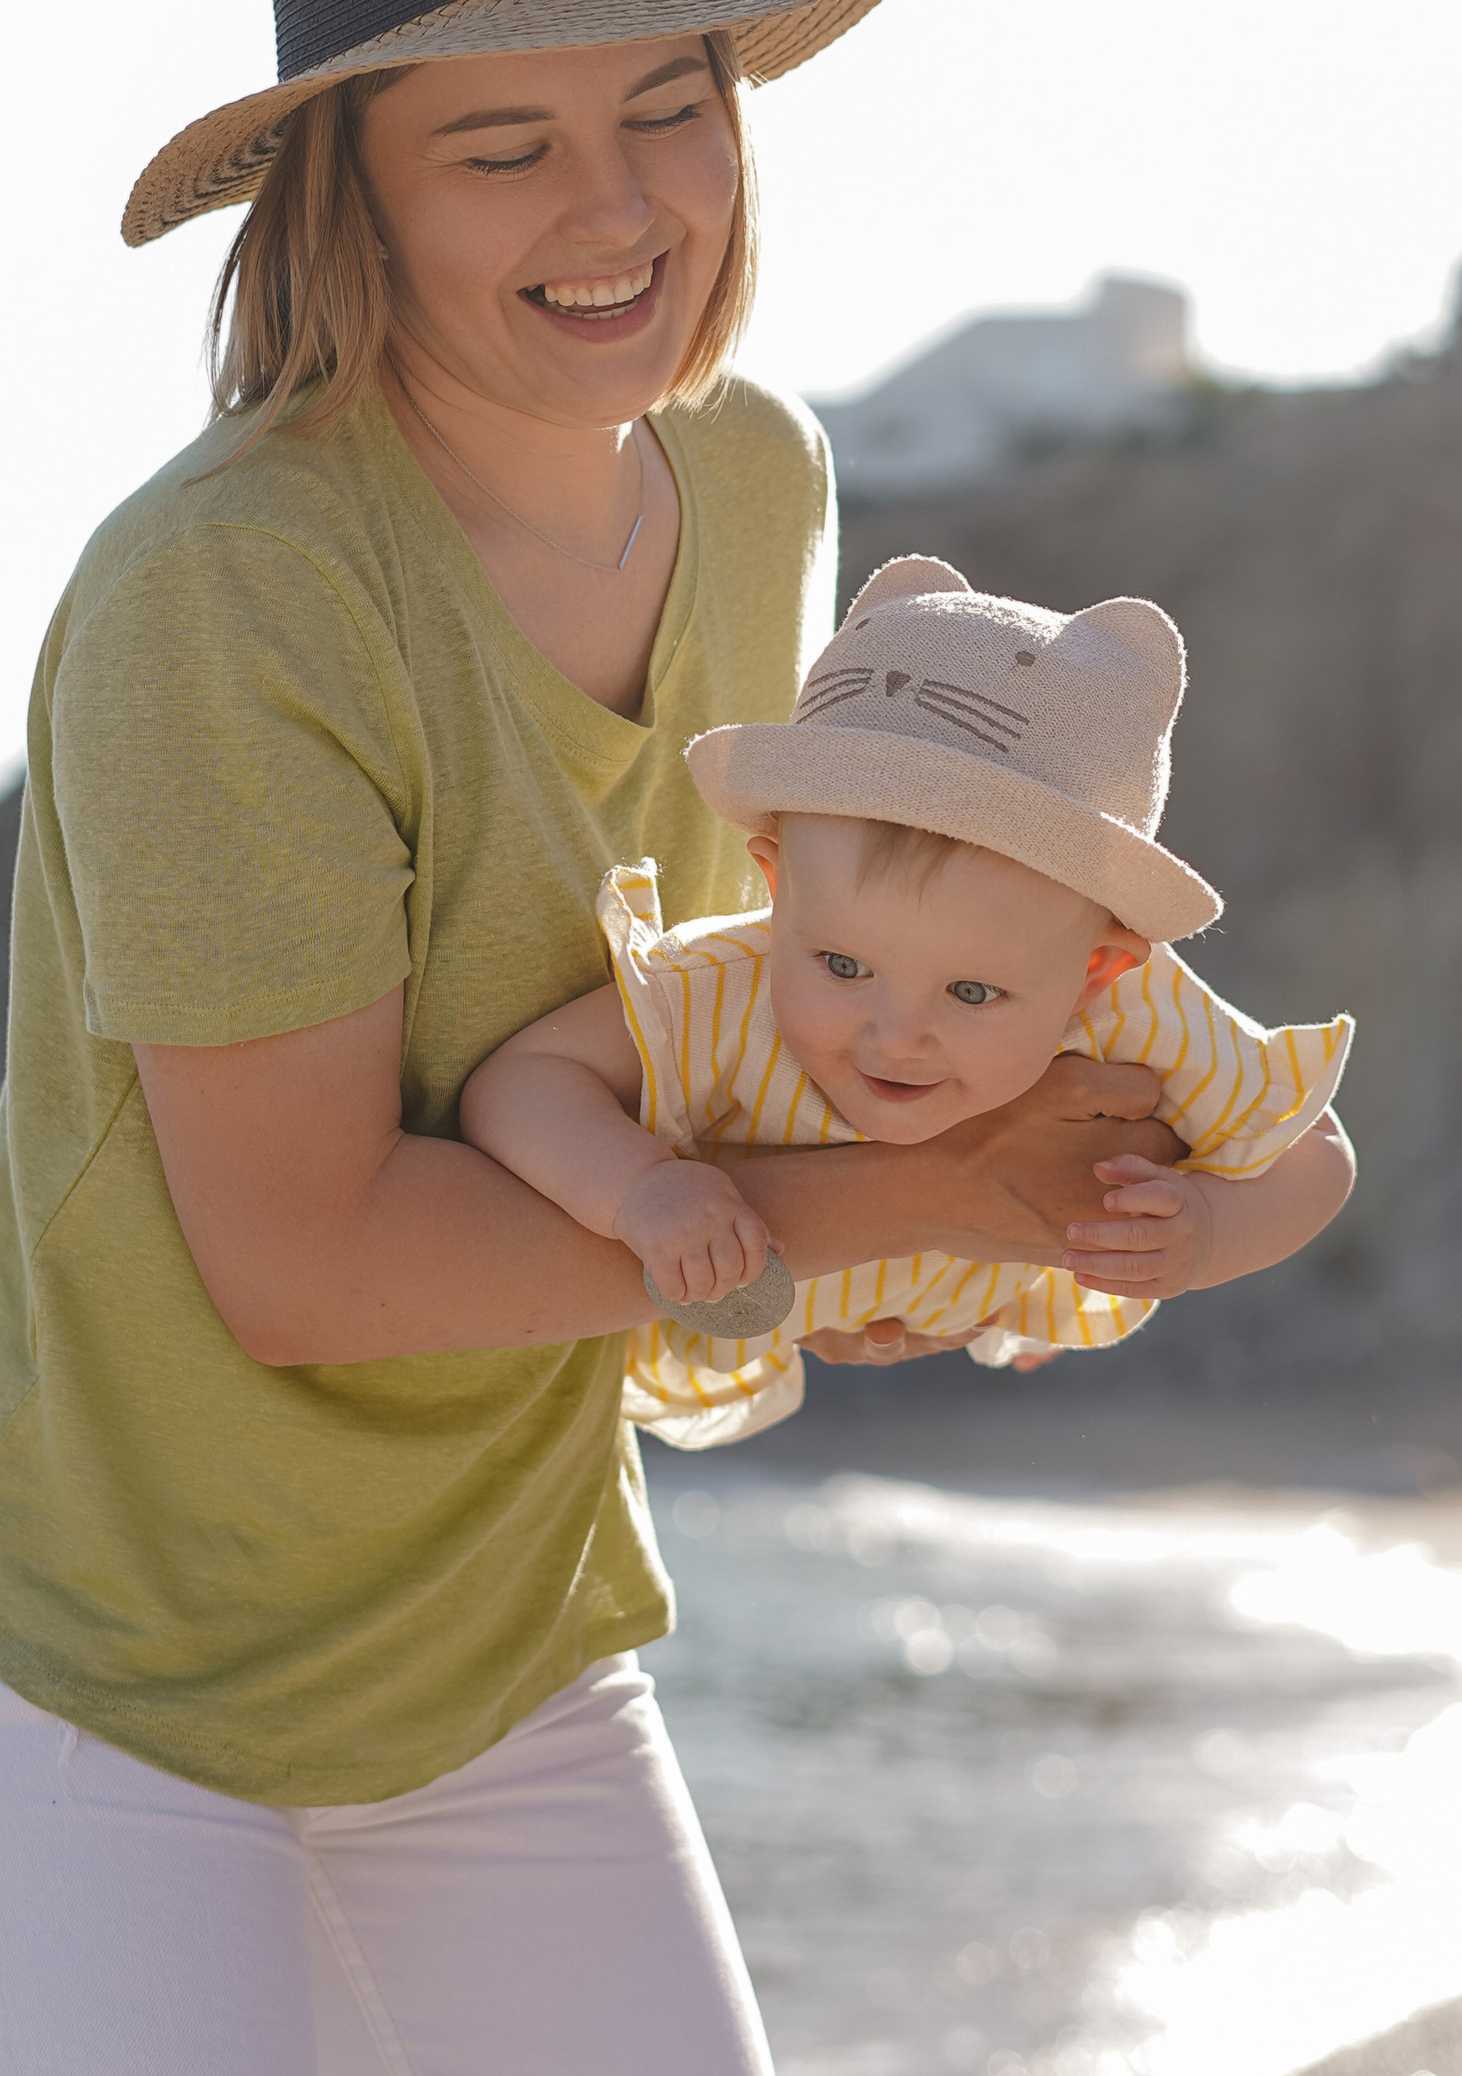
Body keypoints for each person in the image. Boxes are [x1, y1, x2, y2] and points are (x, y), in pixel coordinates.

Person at [0, 0, 1231, 2076]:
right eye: (502, 150)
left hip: (492, 1630)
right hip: (90, 1664)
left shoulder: (761, 486)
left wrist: (1121, 1106)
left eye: (666, 110)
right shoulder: (224, 595)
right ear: (346, 196)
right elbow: (313, 1259)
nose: (618, 215)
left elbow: (748, 1018)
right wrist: (941, 1202)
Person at [458, 555, 1356, 1451]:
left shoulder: (1141, 1019)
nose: (895, 1037)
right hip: (746, 1312)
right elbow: (526, 1082)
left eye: (972, 993)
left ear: (1095, 973)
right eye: (842, 966)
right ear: (776, 890)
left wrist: (1208, 1232)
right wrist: (641, 1190)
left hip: (964, 1302)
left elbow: (1315, 1153)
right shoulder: (723, 988)